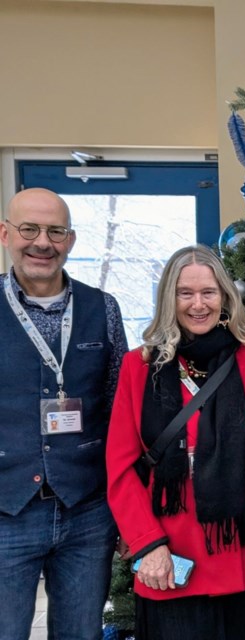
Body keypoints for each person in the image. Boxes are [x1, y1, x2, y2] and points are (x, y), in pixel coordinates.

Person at [106, 244, 245, 640]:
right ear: (169, 298)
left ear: (225, 295)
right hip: (169, 552)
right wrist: (146, 544)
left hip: (242, 546)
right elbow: (121, 468)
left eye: (209, 292)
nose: (198, 304)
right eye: (185, 293)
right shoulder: (140, 366)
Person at [0, 188, 127, 640]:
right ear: (5, 234)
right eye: (29, 229)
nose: (42, 242)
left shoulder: (102, 307)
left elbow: (120, 410)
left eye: (55, 231)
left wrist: (123, 508)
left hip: (87, 513)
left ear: (70, 240)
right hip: (7, 510)